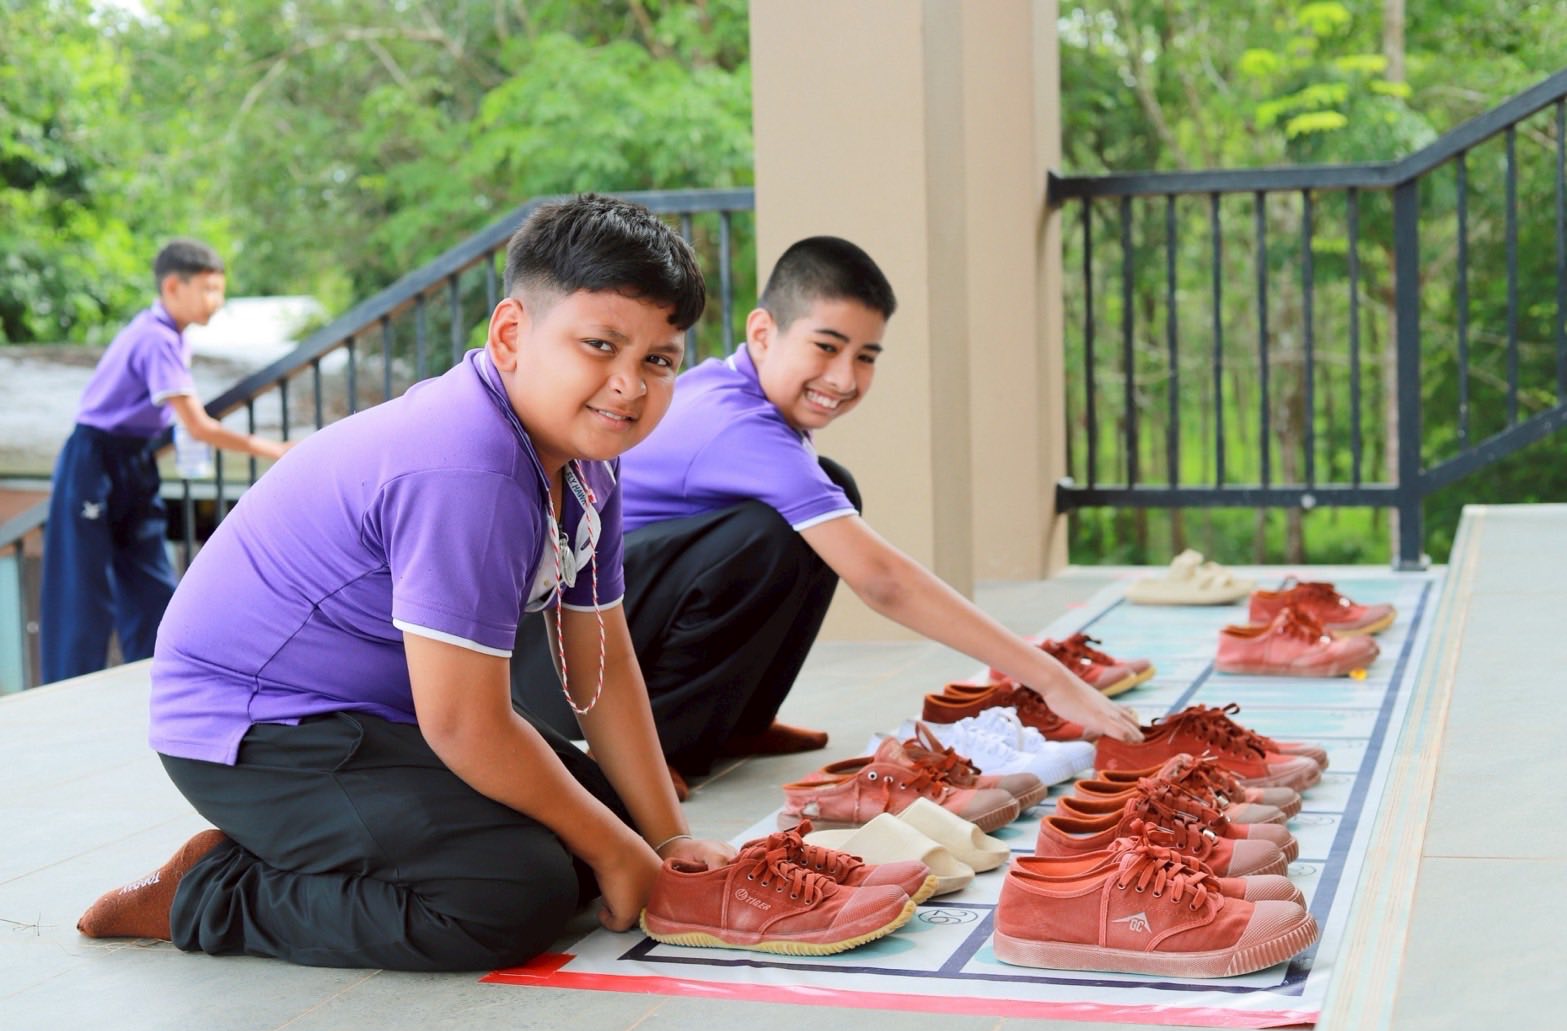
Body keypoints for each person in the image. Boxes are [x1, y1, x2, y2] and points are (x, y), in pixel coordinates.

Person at [75, 196, 732, 972]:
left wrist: (663, 842)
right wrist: (624, 859)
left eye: (658, 360)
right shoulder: (467, 467)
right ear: (512, 334)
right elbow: (464, 725)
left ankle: (333, 837)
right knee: (510, 892)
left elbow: (602, 662)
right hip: (252, 729)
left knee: (608, 825)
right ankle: (213, 887)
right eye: (599, 346)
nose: (629, 385)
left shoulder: (587, 462)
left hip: (382, 716)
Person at [513, 236, 1142, 793]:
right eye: (826, 346)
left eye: (866, 356)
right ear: (763, 333)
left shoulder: (748, 406)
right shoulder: (737, 427)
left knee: (827, 496)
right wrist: (1050, 679)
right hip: (558, 670)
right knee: (768, 536)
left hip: (601, 630)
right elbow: (883, 581)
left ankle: (735, 724)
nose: (843, 377)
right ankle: (645, 752)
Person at [40, 238, 289, 683]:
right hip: (95, 459)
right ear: (173, 286)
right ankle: (67, 690)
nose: (218, 300)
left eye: (220, 289)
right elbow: (199, 427)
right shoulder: (154, 338)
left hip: (135, 459)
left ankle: (156, 683)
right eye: (209, 289)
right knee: (83, 591)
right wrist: (278, 450)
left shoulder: (174, 338)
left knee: (152, 582)